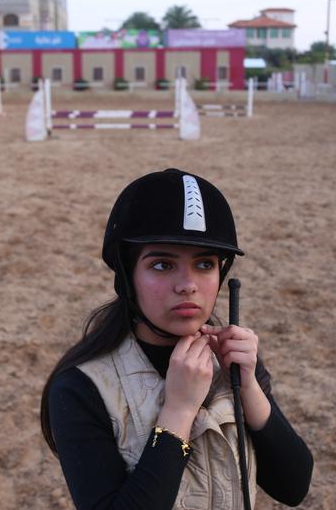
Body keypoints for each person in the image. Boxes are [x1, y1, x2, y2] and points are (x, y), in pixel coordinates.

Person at [40, 169, 313, 510]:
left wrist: (250, 389)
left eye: (204, 263)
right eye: (162, 265)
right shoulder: (81, 388)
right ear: (127, 275)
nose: (188, 284)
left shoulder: (232, 360)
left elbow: (293, 487)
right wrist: (179, 411)